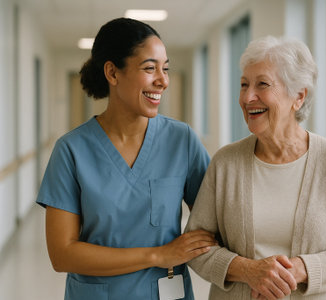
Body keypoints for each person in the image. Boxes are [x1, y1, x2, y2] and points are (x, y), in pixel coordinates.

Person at [36, 18, 215, 300]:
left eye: (165, 69)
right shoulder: (71, 150)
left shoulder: (182, 141)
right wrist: (158, 254)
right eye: (149, 68)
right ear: (112, 72)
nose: (163, 80)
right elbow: (62, 254)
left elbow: (217, 221)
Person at [185, 35, 326, 300]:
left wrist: (296, 271)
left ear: (298, 96)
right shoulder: (225, 162)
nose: (248, 97)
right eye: (244, 84)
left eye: (262, 84)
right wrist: (249, 270)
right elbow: (196, 246)